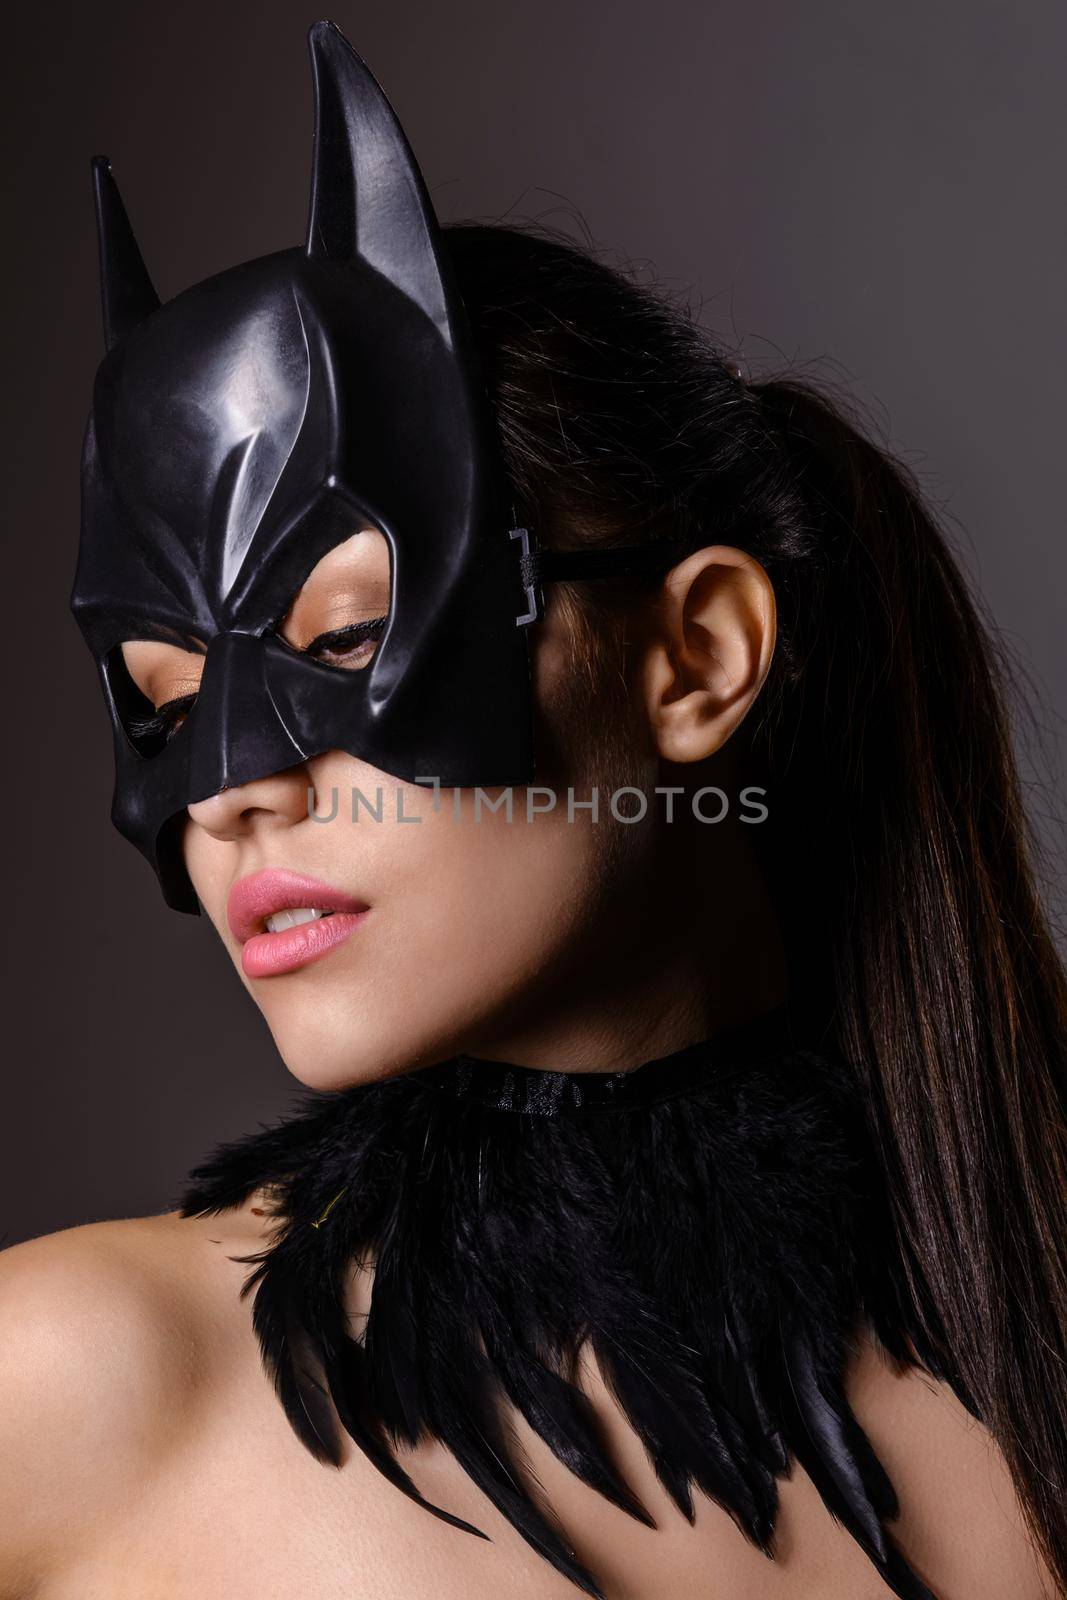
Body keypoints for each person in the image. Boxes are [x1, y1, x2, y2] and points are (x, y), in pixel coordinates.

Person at [1, 20, 1064, 1600]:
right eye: (162, 706)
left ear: (698, 658)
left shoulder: (1027, 1359)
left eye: (346, 638)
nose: (229, 787)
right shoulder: (72, 1388)